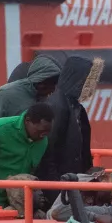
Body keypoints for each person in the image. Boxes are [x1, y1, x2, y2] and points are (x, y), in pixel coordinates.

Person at [0, 53, 60, 153]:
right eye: (51, 84)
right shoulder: (4, 95)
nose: (53, 90)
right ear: (40, 81)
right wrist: (2, 157)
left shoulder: (42, 101)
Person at [37, 54, 95, 187]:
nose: (90, 86)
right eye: (86, 80)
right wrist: (55, 189)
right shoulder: (58, 107)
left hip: (72, 180)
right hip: (60, 183)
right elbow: (48, 152)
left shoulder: (75, 106)